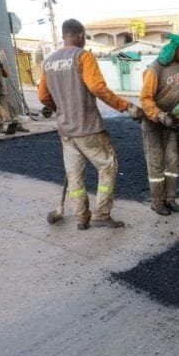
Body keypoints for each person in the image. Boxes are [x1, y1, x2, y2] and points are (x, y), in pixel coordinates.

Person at [38, 19, 144, 230]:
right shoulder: (83, 56)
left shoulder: (48, 62)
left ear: (64, 35)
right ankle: (101, 214)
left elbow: (43, 96)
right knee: (108, 166)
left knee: (74, 176)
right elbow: (97, 87)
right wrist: (126, 106)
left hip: (66, 130)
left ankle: (81, 217)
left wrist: (60, 109)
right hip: (88, 127)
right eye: (84, 37)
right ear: (79, 35)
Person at [140, 30, 179, 216]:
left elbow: (177, 89)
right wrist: (160, 116)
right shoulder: (155, 69)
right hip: (153, 121)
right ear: (176, 48)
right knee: (156, 163)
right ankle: (157, 202)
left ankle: (170, 199)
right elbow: (145, 99)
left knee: (174, 161)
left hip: (172, 120)